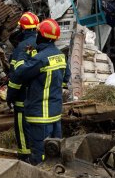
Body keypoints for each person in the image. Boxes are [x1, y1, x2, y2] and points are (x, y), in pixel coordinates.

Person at [8, 18, 70, 165]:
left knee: (40, 154)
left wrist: (23, 55)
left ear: (41, 36)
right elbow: (65, 78)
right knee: (55, 150)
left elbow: (19, 74)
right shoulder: (61, 56)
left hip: (40, 115)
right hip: (55, 113)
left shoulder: (39, 59)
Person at [6, 11, 39, 161]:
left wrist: (10, 96)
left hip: (22, 96)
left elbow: (16, 75)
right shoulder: (41, 43)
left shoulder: (21, 47)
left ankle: (24, 155)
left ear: (22, 28)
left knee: (21, 127)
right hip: (37, 95)